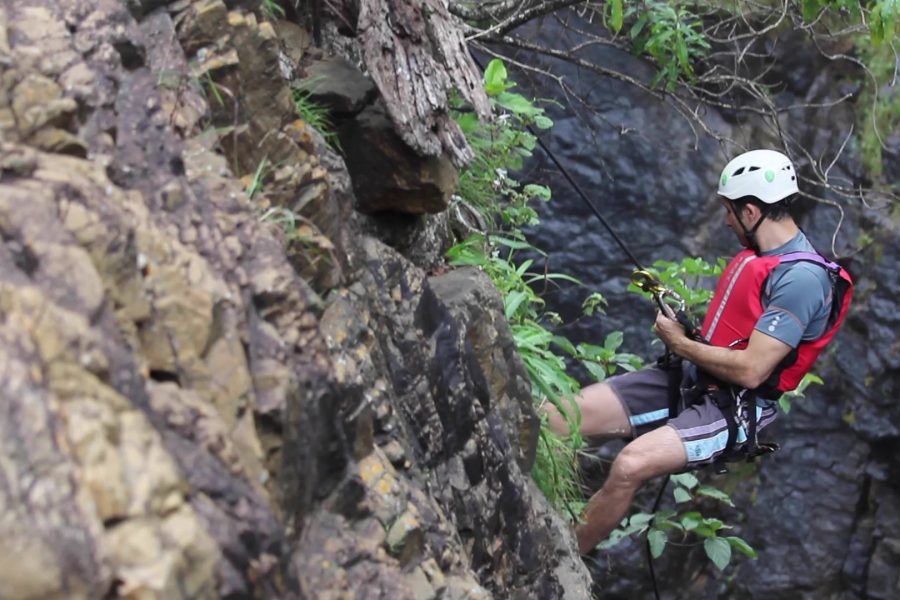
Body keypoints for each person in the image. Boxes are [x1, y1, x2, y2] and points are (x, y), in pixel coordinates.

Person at [546, 149, 853, 554]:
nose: (726, 221)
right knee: (553, 417)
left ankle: (557, 560)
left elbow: (752, 371)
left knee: (629, 466)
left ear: (750, 212)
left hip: (734, 408)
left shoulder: (802, 280)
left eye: (729, 211)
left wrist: (681, 344)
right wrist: (687, 336)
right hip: (691, 379)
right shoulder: (760, 257)